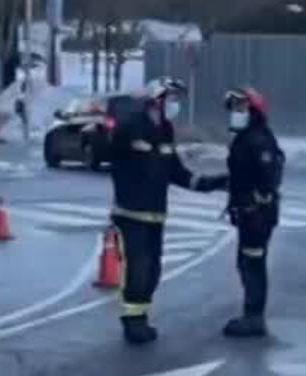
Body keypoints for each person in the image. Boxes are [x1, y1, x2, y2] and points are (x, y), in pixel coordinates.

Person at [108, 77, 224, 344]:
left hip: (156, 215)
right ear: (156, 99)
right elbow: (113, 150)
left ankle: (141, 315)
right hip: (130, 213)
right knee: (138, 267)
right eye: (171, 98)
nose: (175, 104)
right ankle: (132, 321)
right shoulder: (130, 127)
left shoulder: (165, 130)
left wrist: (212, 183)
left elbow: (176, 171)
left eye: (176, 99)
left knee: (153, 270)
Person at [215, 87, 285, 338]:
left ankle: (254, 317)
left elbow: (269, 175)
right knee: (247, 262)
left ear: (254, 110)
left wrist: (256, 201)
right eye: (234, 108)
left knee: (252, 263)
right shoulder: (247, 137)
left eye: (241, 107)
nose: (236, 113)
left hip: (257, 213)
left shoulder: (257, 138)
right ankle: (251, 314)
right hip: (250, 211)